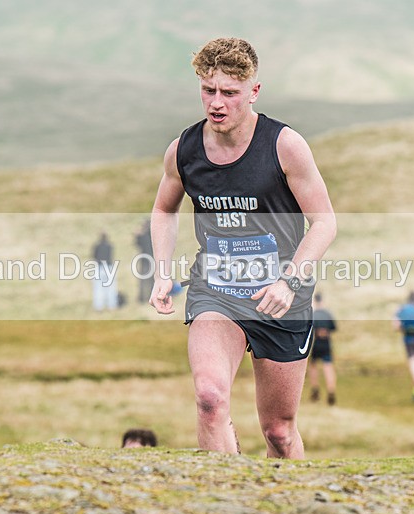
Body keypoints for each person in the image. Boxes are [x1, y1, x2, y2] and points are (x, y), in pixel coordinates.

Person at [149, 38, 337, 459]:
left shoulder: (284, 145)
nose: (216, 103)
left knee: (279, 432)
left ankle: (288, 499)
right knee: (210, 399)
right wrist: (162, 272)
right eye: (208, 90)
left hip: (280, 300)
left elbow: (325, 222)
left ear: (254, 91)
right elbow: (163, 209)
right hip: (215, 293)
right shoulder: (184, 151)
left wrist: (289, 282)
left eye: (229, 93)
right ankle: (225, 494)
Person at [307, 293, 337, 406]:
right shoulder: (327, 313)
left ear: (315, 301)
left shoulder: (313, 314)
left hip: (316, 342)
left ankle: (315, 390)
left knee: (313, 366)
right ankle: (331, 391)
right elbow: (334, 327)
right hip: (326, 343)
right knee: (328, 367)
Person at [91, 232, 118, 310]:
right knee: (111, 287)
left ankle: (98, 306)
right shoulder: (110, 246)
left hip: (100, 267)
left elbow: (94, 256)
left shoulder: (97, 246)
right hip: (109, 267)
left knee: (98, 287)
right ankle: (112, 305)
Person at [134, 219, 155, 303]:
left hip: (144, 260)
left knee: (143, 280)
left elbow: (138, 244)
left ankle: (142, 298)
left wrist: (137, 236)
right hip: (153, 260)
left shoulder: (143, 236)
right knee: (153, 280)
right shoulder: (154, 235)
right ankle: (152, 296)